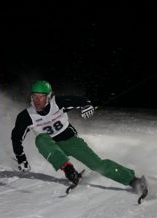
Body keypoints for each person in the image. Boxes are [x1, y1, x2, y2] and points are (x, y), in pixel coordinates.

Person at [11, 80, 146, 193]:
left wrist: (87, 106)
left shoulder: (57, 103)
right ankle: (68, 169)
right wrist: (21, 158)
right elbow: (16, 137)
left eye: (41, 96)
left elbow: (80, 100)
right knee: (40, 139)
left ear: (49, 97)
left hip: (71, 141)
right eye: (34, 96)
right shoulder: (26, 116)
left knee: (97, 164)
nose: (37, 101)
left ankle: (133, 180)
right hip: (51, 146)